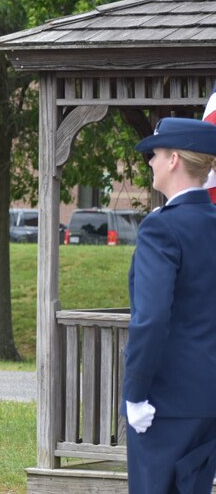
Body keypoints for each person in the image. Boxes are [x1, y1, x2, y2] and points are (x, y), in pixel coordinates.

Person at [123, 117, 216, 493]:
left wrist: (136, 391)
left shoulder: (161, 227)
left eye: (156, 154)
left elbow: (151, 316)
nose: (151, 163)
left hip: (166, 401)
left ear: (174, 159)